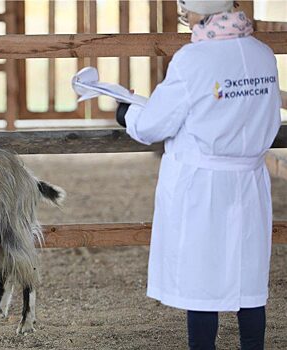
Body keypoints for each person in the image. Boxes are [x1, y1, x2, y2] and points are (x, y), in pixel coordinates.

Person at [115, 1, 281, 349]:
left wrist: (127, 113)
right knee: (247, 277)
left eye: (185, 8)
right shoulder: (263, 54)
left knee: (202, 278)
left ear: (201, 11)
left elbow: (152, 125)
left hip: (204, 185)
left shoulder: (194, 59)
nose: (183, 14)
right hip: (249, 181)